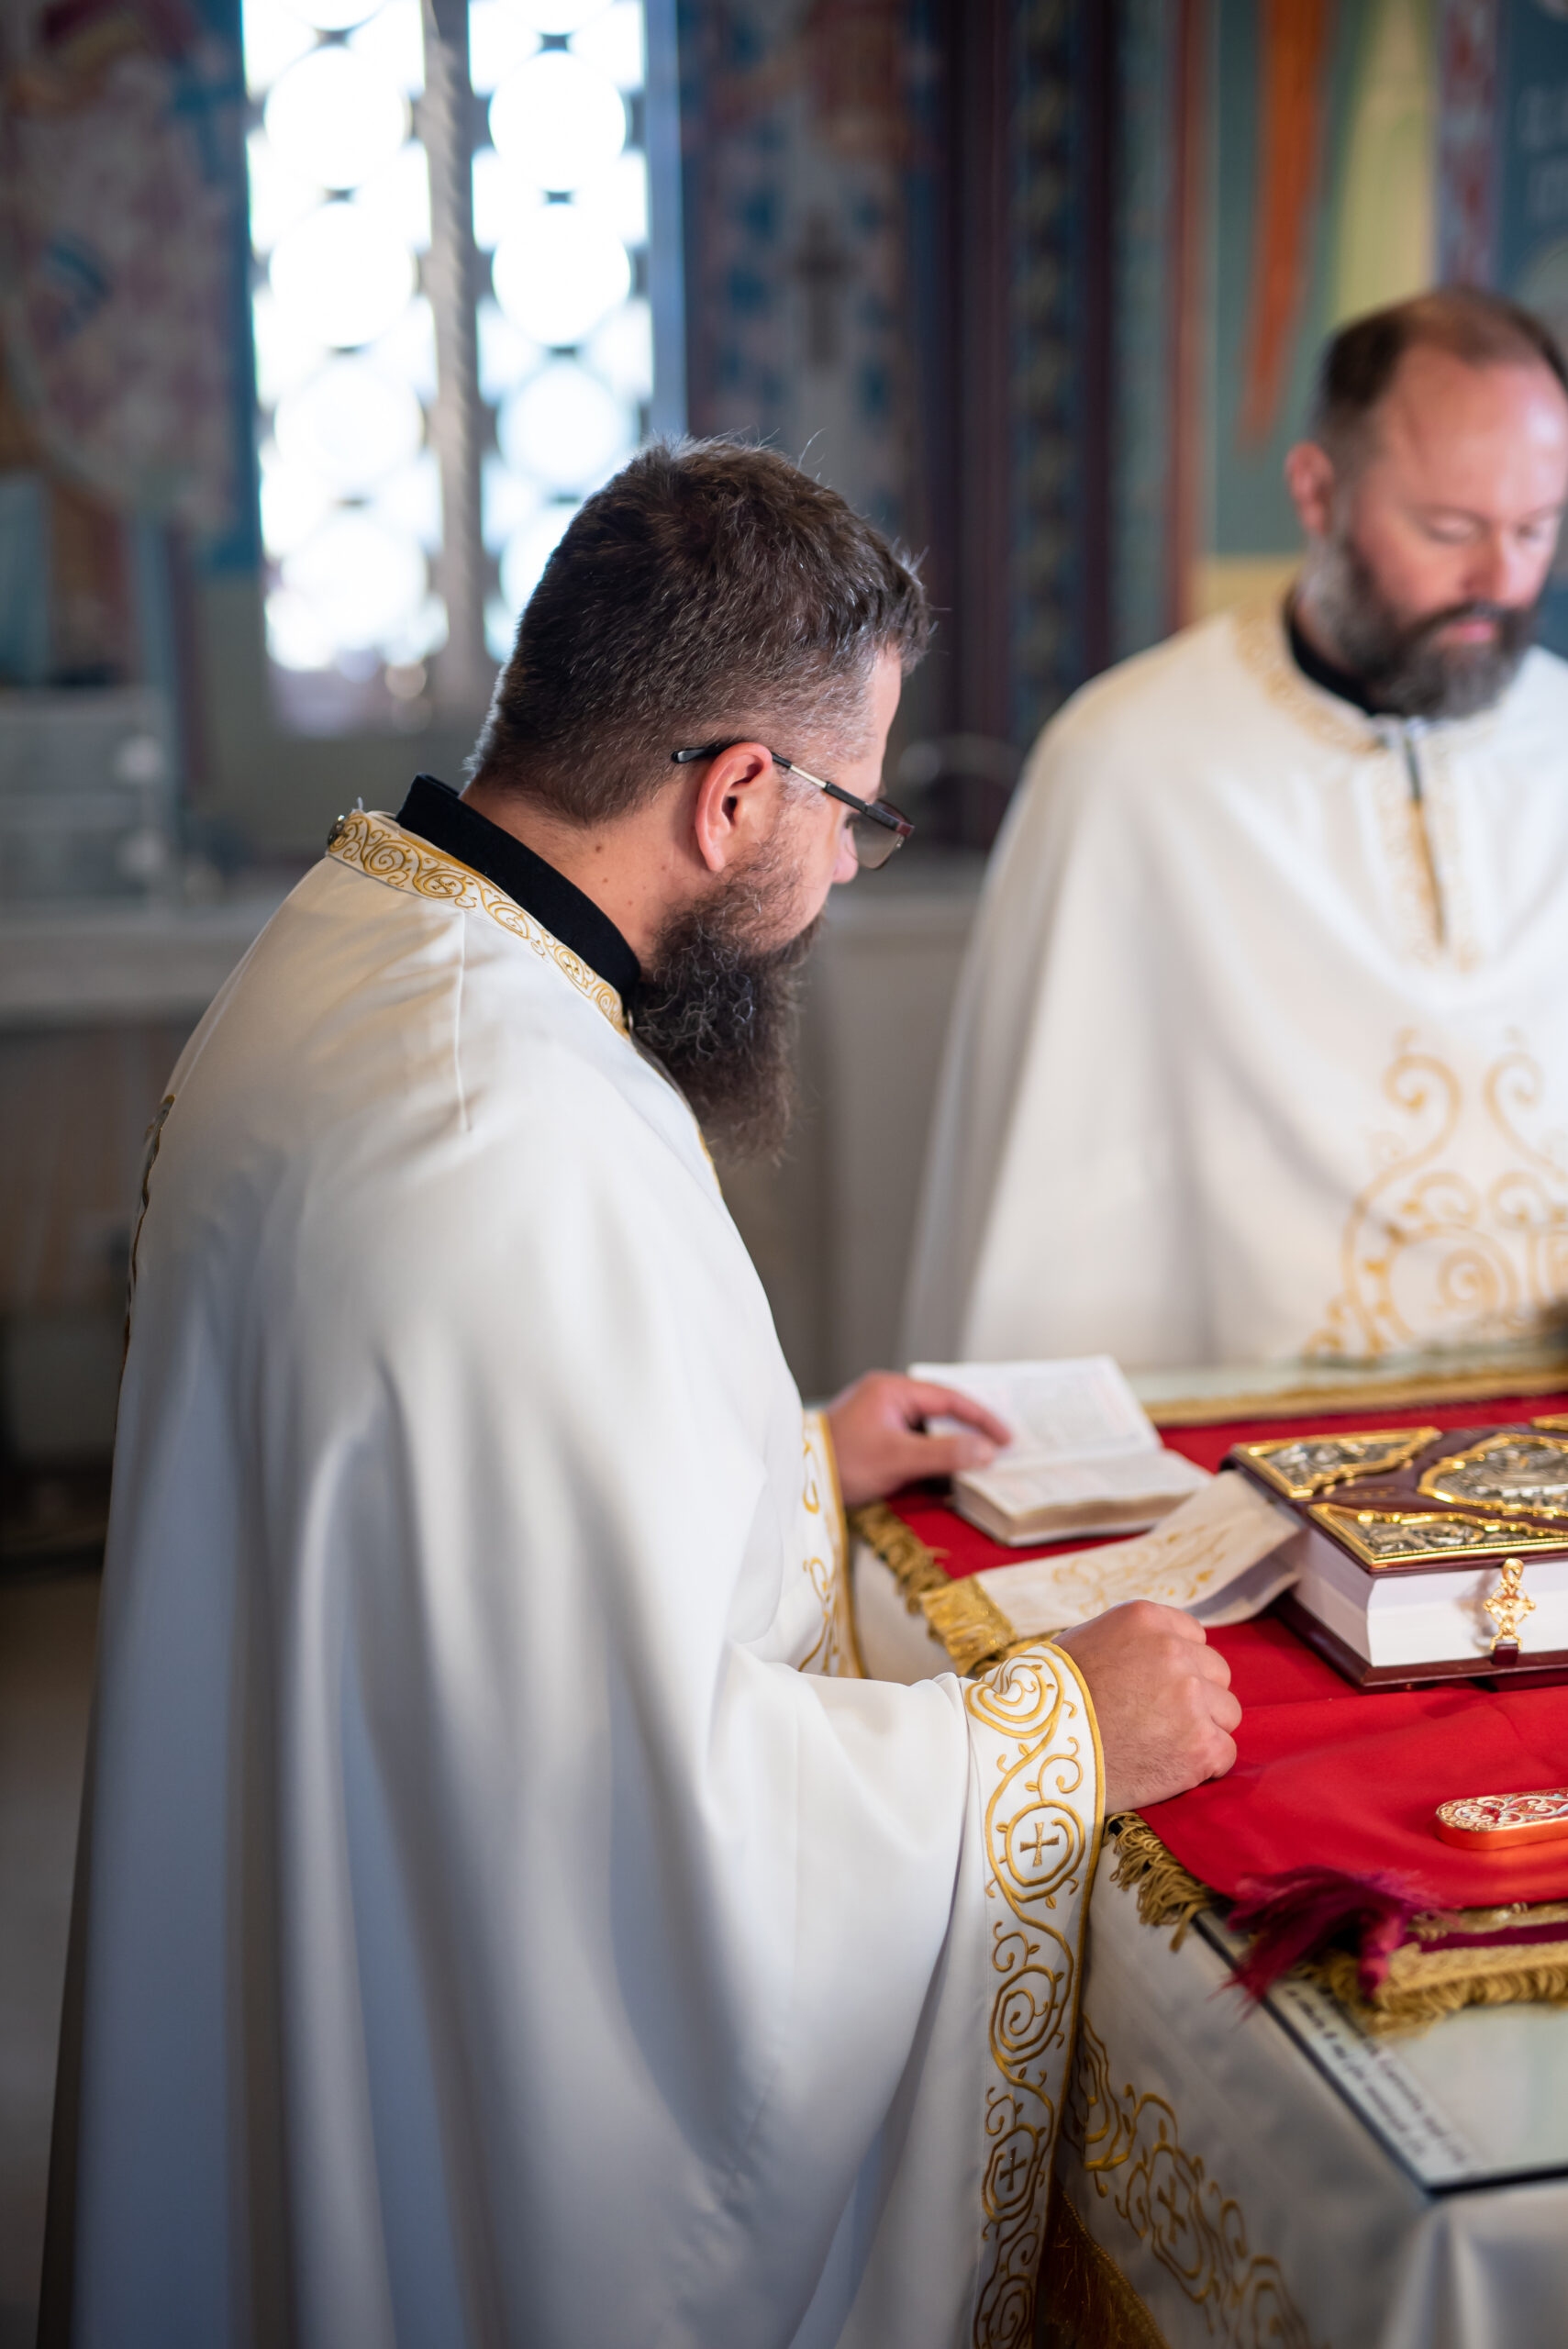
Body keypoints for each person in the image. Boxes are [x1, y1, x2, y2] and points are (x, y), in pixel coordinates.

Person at [41, 442, 1237, 2348]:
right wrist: (1050, 1734)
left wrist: (791, 1460)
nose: (838, 868)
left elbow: (460, 1522)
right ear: (733, 792)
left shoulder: (368, 940)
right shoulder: (507, 1123)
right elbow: (630, 1821)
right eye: (846, 812)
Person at [906, 288, 1568, 1374]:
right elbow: (1053, 1215)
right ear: (1315, 491)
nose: (1497, 581)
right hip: (1246, 1439)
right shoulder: (1128, 765)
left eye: (1534, 529)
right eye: (1447, 530)